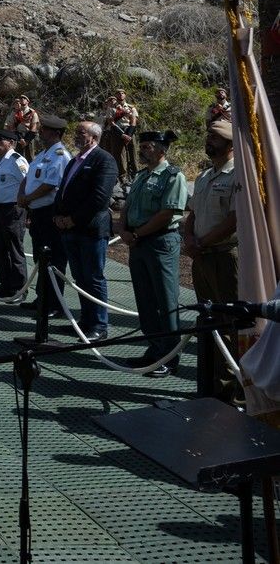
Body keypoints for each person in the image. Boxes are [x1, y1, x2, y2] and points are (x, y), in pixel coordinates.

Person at [119, 130, 188, 378]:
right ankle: (154, 350)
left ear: (161, 150)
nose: (142, 150)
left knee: (165, 301)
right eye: (142, 146)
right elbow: (127, 206)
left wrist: (136, 235)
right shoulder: (140, 175)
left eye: (147, 146)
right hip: (138, 242)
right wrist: (124, 229)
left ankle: (169, 357)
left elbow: (167, 212)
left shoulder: (173, 176)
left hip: (159, 242)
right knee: (145, 300)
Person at [183, 119, 239, 399]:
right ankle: (209, 387)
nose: (209, 141)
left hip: (225, 258)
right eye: (208, 136)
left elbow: (234, 220)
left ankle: (230, 394)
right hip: (201, 257)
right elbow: (191, 212)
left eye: (215, 138)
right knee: (208, 321)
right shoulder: (205, 176)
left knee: (229, 324)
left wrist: (202, 241)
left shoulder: (238, 175)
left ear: (230, 144)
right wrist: (189, 239)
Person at [53, 121, 118, 340]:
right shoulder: (74, 161)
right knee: (80, 277)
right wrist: (58, 215)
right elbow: (63, 190)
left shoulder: (104, 160)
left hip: (90, 229)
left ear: (94, 137)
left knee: (93, 277)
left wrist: (73, 219)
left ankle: (99, 325)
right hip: (70, 229)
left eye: (81, 133)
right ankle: (85, 322)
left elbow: (99, 198)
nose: (76, 136)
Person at [18, 114, 71, 319]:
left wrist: (28, 198)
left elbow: (50, 185)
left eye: (45, 130)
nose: (41, 132)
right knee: (41, 257)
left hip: (50, 213)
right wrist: (22, 196)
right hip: (37, 212)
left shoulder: (60, 155)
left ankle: (54, 303)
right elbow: (29, 177)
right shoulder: (42, 155)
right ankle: (42, 298)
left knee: (54, 259)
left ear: (56, 133)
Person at [0, 130, 29, 298]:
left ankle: (19, 289)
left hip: (12, 210)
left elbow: (27, 182)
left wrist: (27, 207)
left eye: (1, 140)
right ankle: (5, 284)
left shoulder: (17, 160)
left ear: (11, 143)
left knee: (14, 250)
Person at [101, 89, 139, 182]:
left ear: (125, 95)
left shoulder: (131, 107)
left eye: (122, 93)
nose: (120, 95)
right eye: (118, 93)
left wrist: (129, 135)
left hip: (129, 130)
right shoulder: (111, 108)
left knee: (133, 152)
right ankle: (123, 176)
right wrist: (122, 135)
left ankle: (136, 174)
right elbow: (111, 122)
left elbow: (134, 121)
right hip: (117, 131)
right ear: (115, 95)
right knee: (119, 155)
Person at [4, 95, 40, 160]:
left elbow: (34, 127)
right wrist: (19, 138)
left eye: (24, 98)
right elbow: (11, 126)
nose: (22, 99)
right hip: (18, 136)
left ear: (28, 101)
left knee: (30, 157)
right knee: (17, 157)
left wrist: (26, 141)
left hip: (28, 137)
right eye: (21, 98)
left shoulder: (33, 112)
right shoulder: (15, 113)